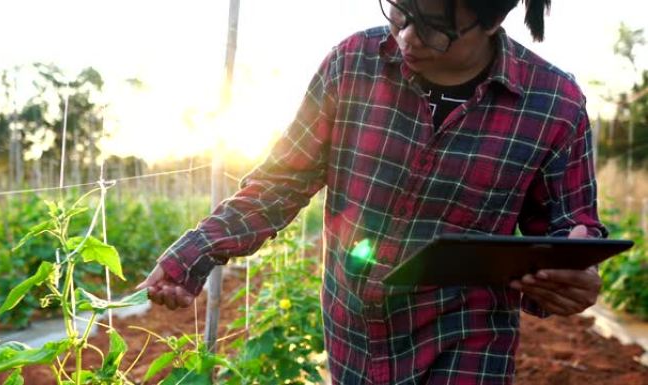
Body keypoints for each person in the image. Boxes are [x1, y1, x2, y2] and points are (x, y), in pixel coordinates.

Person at [137, 0, 607, 383]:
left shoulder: (553, 105)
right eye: (400, 12)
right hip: (355, 333)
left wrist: (571, 273)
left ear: (492, 19)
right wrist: (195, 252)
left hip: (468, 336)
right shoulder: (352, 65)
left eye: (432, 28)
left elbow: (568, 230)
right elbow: (280, 183)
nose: (406, 38)